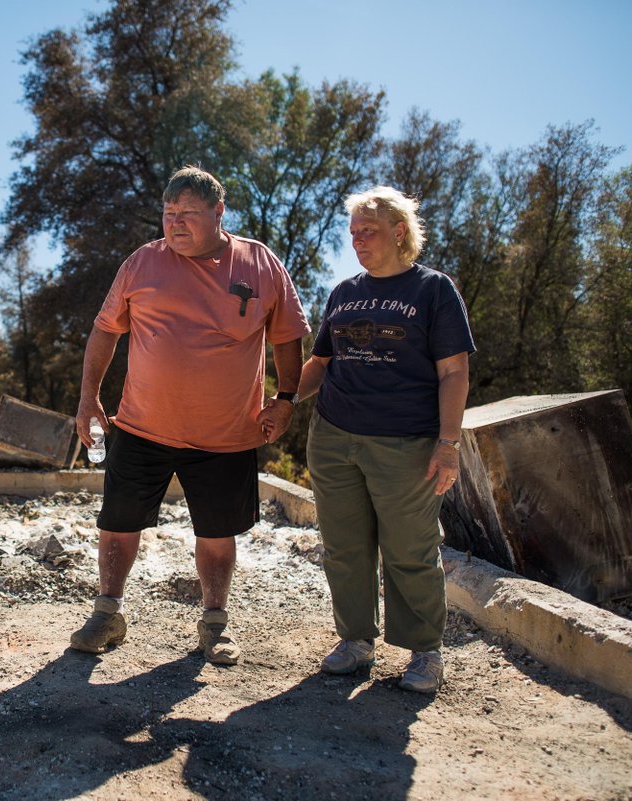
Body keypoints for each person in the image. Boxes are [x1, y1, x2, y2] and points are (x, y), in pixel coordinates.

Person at [69, 165, 311, 665]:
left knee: (217, 534)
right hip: (140, 427)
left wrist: (285, 399)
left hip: (225, 434)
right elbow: (104, 329)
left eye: (188, 214)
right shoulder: (142, 263)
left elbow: (288, 336)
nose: (175, 223)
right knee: (117, 524)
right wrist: (88, 397)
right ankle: (108, 611)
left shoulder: (259, 263)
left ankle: (215, 624)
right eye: (168, 213)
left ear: (219, 212)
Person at [295, 186, 474, 693]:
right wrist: (284, 403)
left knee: (410, 549)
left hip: (406, 444)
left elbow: (454, 372)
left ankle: (425, 653)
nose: (357, 241)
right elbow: (321, 364)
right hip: (333, 438)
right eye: (352, 233)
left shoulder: (433, 290)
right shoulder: (344, 292)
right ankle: (355, 642)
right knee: (345, 548)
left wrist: (449, 443)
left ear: (399, 231)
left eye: (367, 231)